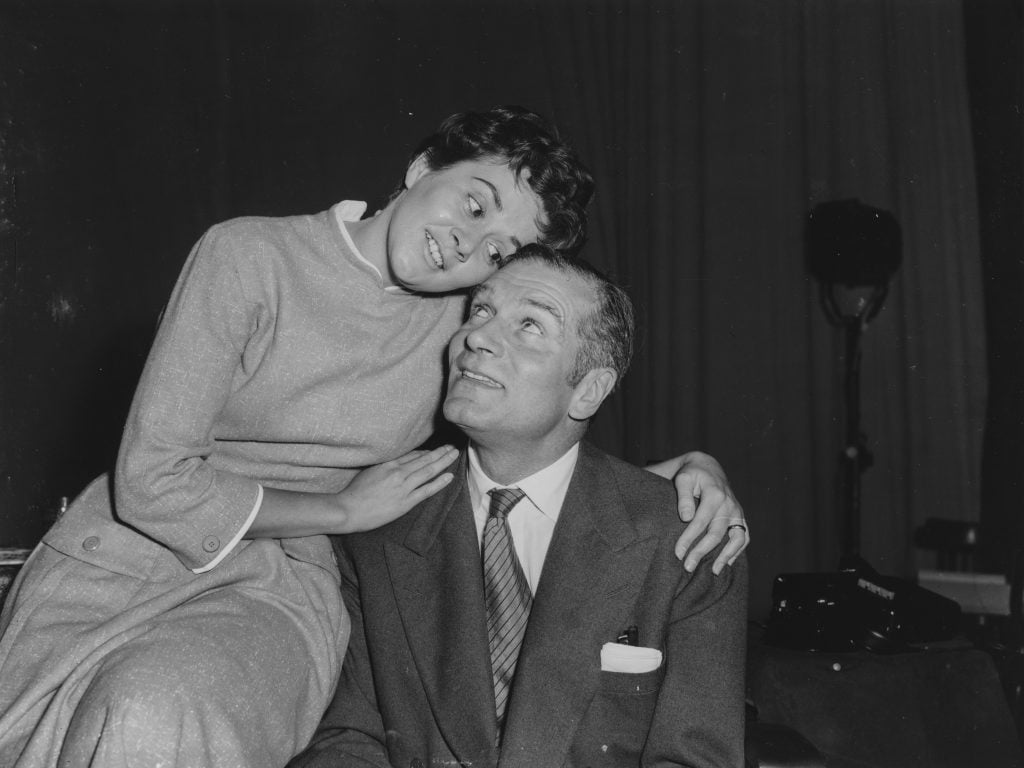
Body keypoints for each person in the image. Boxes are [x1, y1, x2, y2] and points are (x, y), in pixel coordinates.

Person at [0, 106, 747, 768]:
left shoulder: (465, 320)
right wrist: (341, 511)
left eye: (499, 251)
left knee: (156, 707)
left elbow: (523, 454)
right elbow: (153, 480)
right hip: (129, 557)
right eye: (475, 203)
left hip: (282, 589)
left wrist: (686, 467)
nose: (468, 249)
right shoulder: (250, 255)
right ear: (422, 168)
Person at [290, 246, 748, 768]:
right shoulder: (379, 522)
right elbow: (349, 738)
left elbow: (694, 758)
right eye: (481, 311)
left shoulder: (688, 536)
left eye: (529, 324)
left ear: (589, 391)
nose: (475, 337)